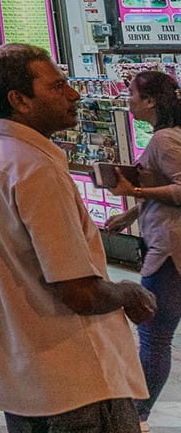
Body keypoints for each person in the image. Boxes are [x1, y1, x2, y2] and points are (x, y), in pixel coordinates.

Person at [0, 44, 153, 431]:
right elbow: (80, 292)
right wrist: (129, 293)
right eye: (57, 86)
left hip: (17, 377)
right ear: (19, 100)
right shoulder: (33, 168)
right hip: (72, 379)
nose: (73, 94)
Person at [102, 67, 181, 422]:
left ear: (150, 101)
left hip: (171, 252)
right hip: (168, 245)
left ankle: (136, 415)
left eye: (132, 94)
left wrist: (133, 190)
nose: (127, 100)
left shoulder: (164, 140)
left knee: (154, 335)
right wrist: (133, 213)